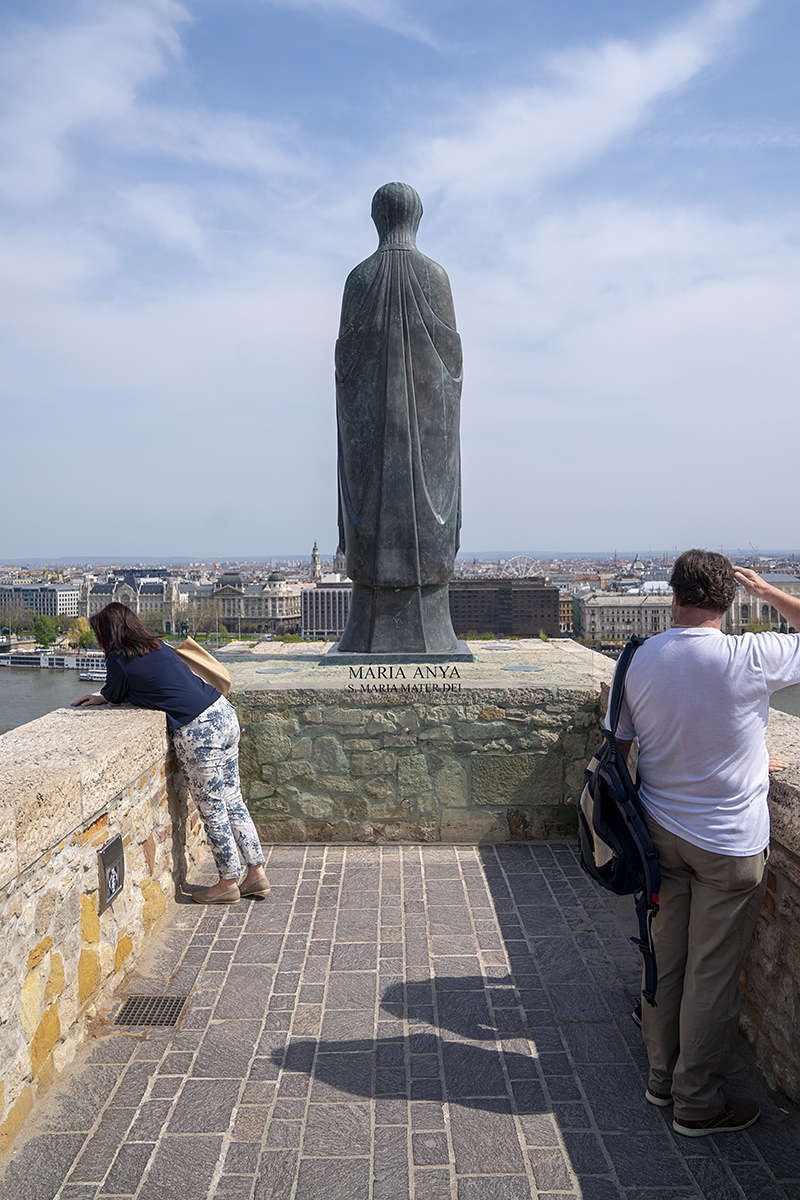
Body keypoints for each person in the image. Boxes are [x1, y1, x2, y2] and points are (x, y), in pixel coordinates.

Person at [612, 550, 800, 1136]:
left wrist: (741, 753)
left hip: (660, 836)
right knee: (712, 974)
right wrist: (769, 592)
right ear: (730, 602)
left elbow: (623, 749)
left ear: (673, 597)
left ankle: (661, 1077)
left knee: (665, 960)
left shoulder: (639, 659)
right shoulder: (749, 656)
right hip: (729, 844)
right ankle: (697, 1103)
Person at [335, 181, 463, 653]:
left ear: (377, 218)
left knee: (368, 505)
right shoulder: (436, 276)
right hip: (431, 436)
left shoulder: (359, 279)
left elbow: (345, 370)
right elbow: (451, 370)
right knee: (429, 506)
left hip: (369, 440)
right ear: (416, 216)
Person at [72, 603, 268, 905]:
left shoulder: (118, 656)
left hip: (198, 729)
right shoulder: (158, 645)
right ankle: (256, 873)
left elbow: (114, 695)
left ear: (107, 633)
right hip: (222, 712)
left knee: (213, 809)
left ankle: (228, 881)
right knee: (233, 800)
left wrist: (100, 696)